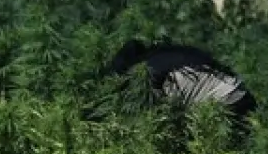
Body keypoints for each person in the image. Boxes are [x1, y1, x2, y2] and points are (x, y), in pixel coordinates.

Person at [105, 38, 257, 126]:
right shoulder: (166, 54)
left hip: (228, 105)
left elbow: (169, 119)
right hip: (238, 92)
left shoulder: (153, 73)